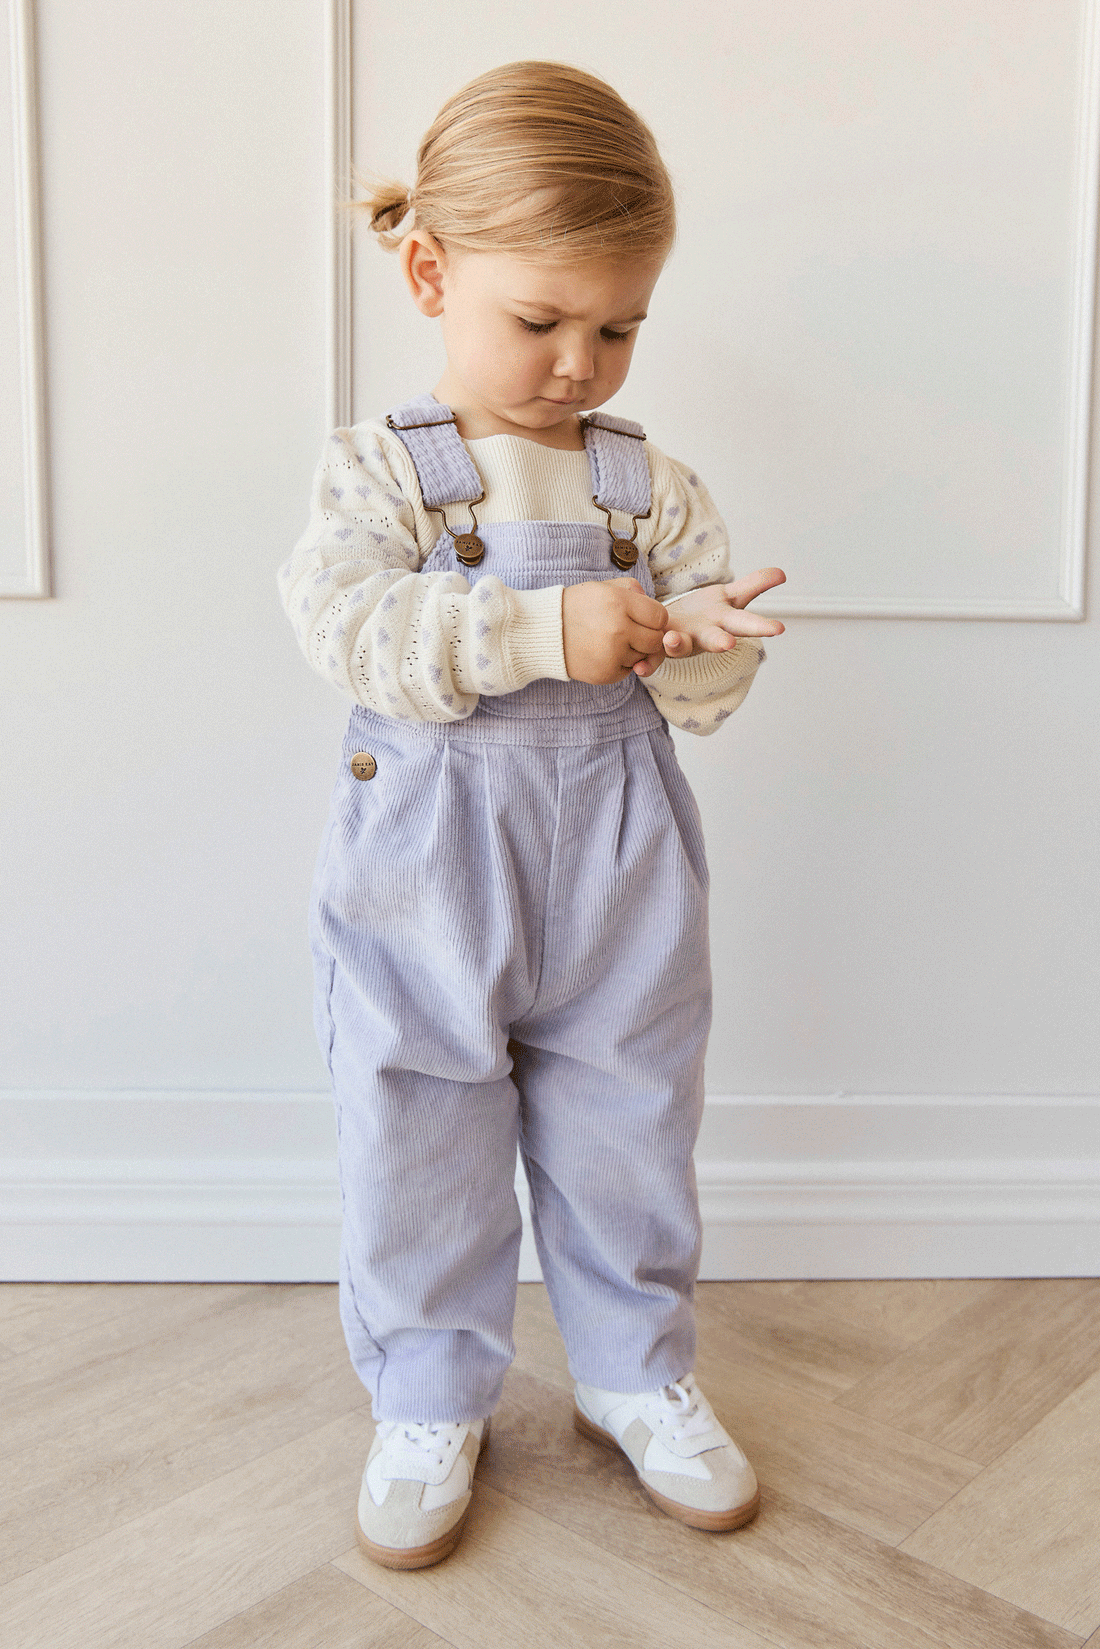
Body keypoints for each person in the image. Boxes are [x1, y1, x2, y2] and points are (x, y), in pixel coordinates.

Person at [279, 60, 785, 1571]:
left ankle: (636, 1371)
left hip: (618, 864)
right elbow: (352, 634)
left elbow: (702, 704)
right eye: (542, 320)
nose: (580, 364)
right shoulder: (382, 474)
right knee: (418, 1125)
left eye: (619, 328)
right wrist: (545, 631)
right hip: (430, 864)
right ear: (432, 273)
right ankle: (429, 1393)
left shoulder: (649, 488)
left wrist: (698, 647)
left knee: (632, 1118)